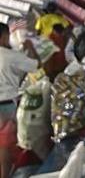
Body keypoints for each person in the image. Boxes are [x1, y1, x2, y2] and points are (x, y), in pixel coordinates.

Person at [0, 23, 37, 178]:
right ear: (3, 36)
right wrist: (30, 49)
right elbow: (35, 65)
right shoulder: (10, 56)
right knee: (5, 146)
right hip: (6, 105)